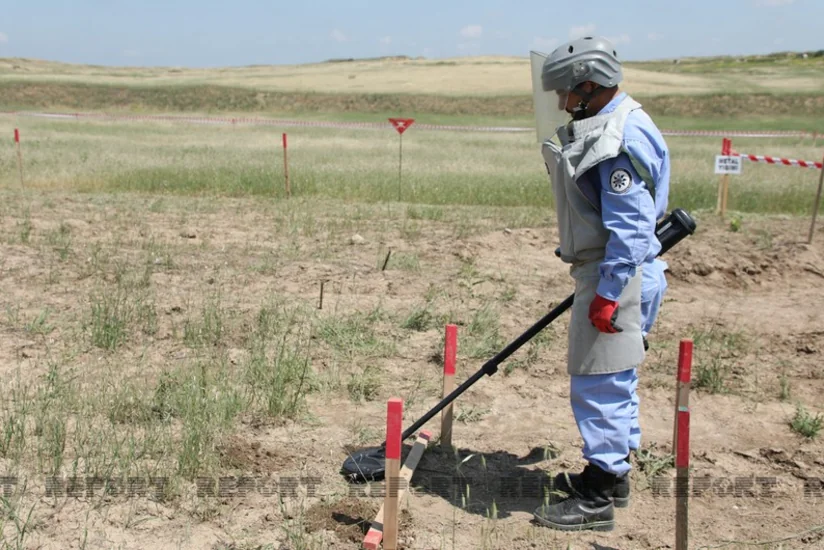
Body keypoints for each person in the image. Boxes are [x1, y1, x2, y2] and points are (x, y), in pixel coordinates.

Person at [529, 36, 671, 531]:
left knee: (598, 380)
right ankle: (613, 477)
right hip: (624, 270)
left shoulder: (617, 138)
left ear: (588, 85)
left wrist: (608, 294)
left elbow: (630, 231)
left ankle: (599, 494)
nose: (561, 104)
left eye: (565, 94)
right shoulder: (625, 119)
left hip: (619, 273)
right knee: (617, 374)